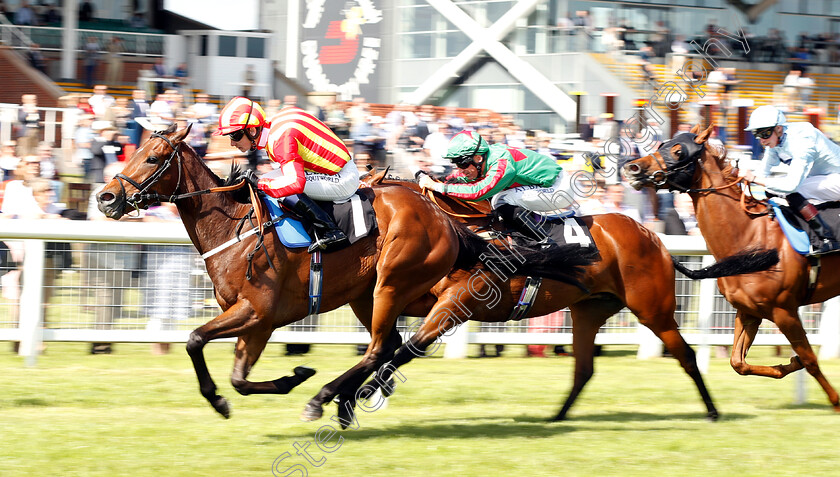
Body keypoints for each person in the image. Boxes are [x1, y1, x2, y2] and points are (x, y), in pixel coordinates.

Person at [214, 96, 359, 252]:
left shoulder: (280, 140)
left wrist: (259, 184)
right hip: (335, 168)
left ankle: (330, 230)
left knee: (277, 187)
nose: (232, 143)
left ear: (252, 130)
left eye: (235, 135)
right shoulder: (277, 124)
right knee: (268, 180)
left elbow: (295, 183)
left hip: (343, 178)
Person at [417, 130, 573, 240]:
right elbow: (464, 177)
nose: (460, 169)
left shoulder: (502, 164)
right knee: (499, 198)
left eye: (462, 163)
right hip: (543, 185)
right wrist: (439, 180)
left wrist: (438, 187)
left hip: (558, 188)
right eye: (456, 164)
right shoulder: (486, 158)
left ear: (478, 158)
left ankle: (543, 241)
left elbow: (478, 191)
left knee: (500, 199)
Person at [740, 104, 840, 253]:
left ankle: (826, 238)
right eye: (757, 134)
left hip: (835, 178)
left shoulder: (803, 140)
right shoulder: (775, 142)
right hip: (825, 178)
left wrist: (753, 178)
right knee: (772, 189)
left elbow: (791, 185)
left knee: (790, 190)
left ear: (779, 128)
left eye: (765, 134)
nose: (761, 140)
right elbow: (762, 174)